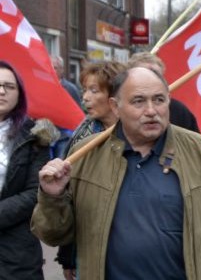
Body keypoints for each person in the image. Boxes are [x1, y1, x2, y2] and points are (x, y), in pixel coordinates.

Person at [31, 67, 201, 279]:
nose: (151, 111)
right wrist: (52, 197)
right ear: (115, 107)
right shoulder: (85, 155)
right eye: (138, 101)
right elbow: (53, 234)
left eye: (159, 99)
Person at [54, 60, 127, 279]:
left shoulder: (139, 134)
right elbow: (69, 199)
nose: (85, 97)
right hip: (89, 248)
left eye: (94, 90)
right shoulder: (81, 136)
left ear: (114, 95)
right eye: (85, 90)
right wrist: (67, 255)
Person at [0, 61, 56, 279]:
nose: (2, 91)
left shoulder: (34, 136)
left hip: (16, 252)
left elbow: (35, 192)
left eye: (9, 86)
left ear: (19, 93)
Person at [128, 52, 200, 133]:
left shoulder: (178, 111)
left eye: (156, 75)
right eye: (145, 75)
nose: (151, 111)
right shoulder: (122, 107)